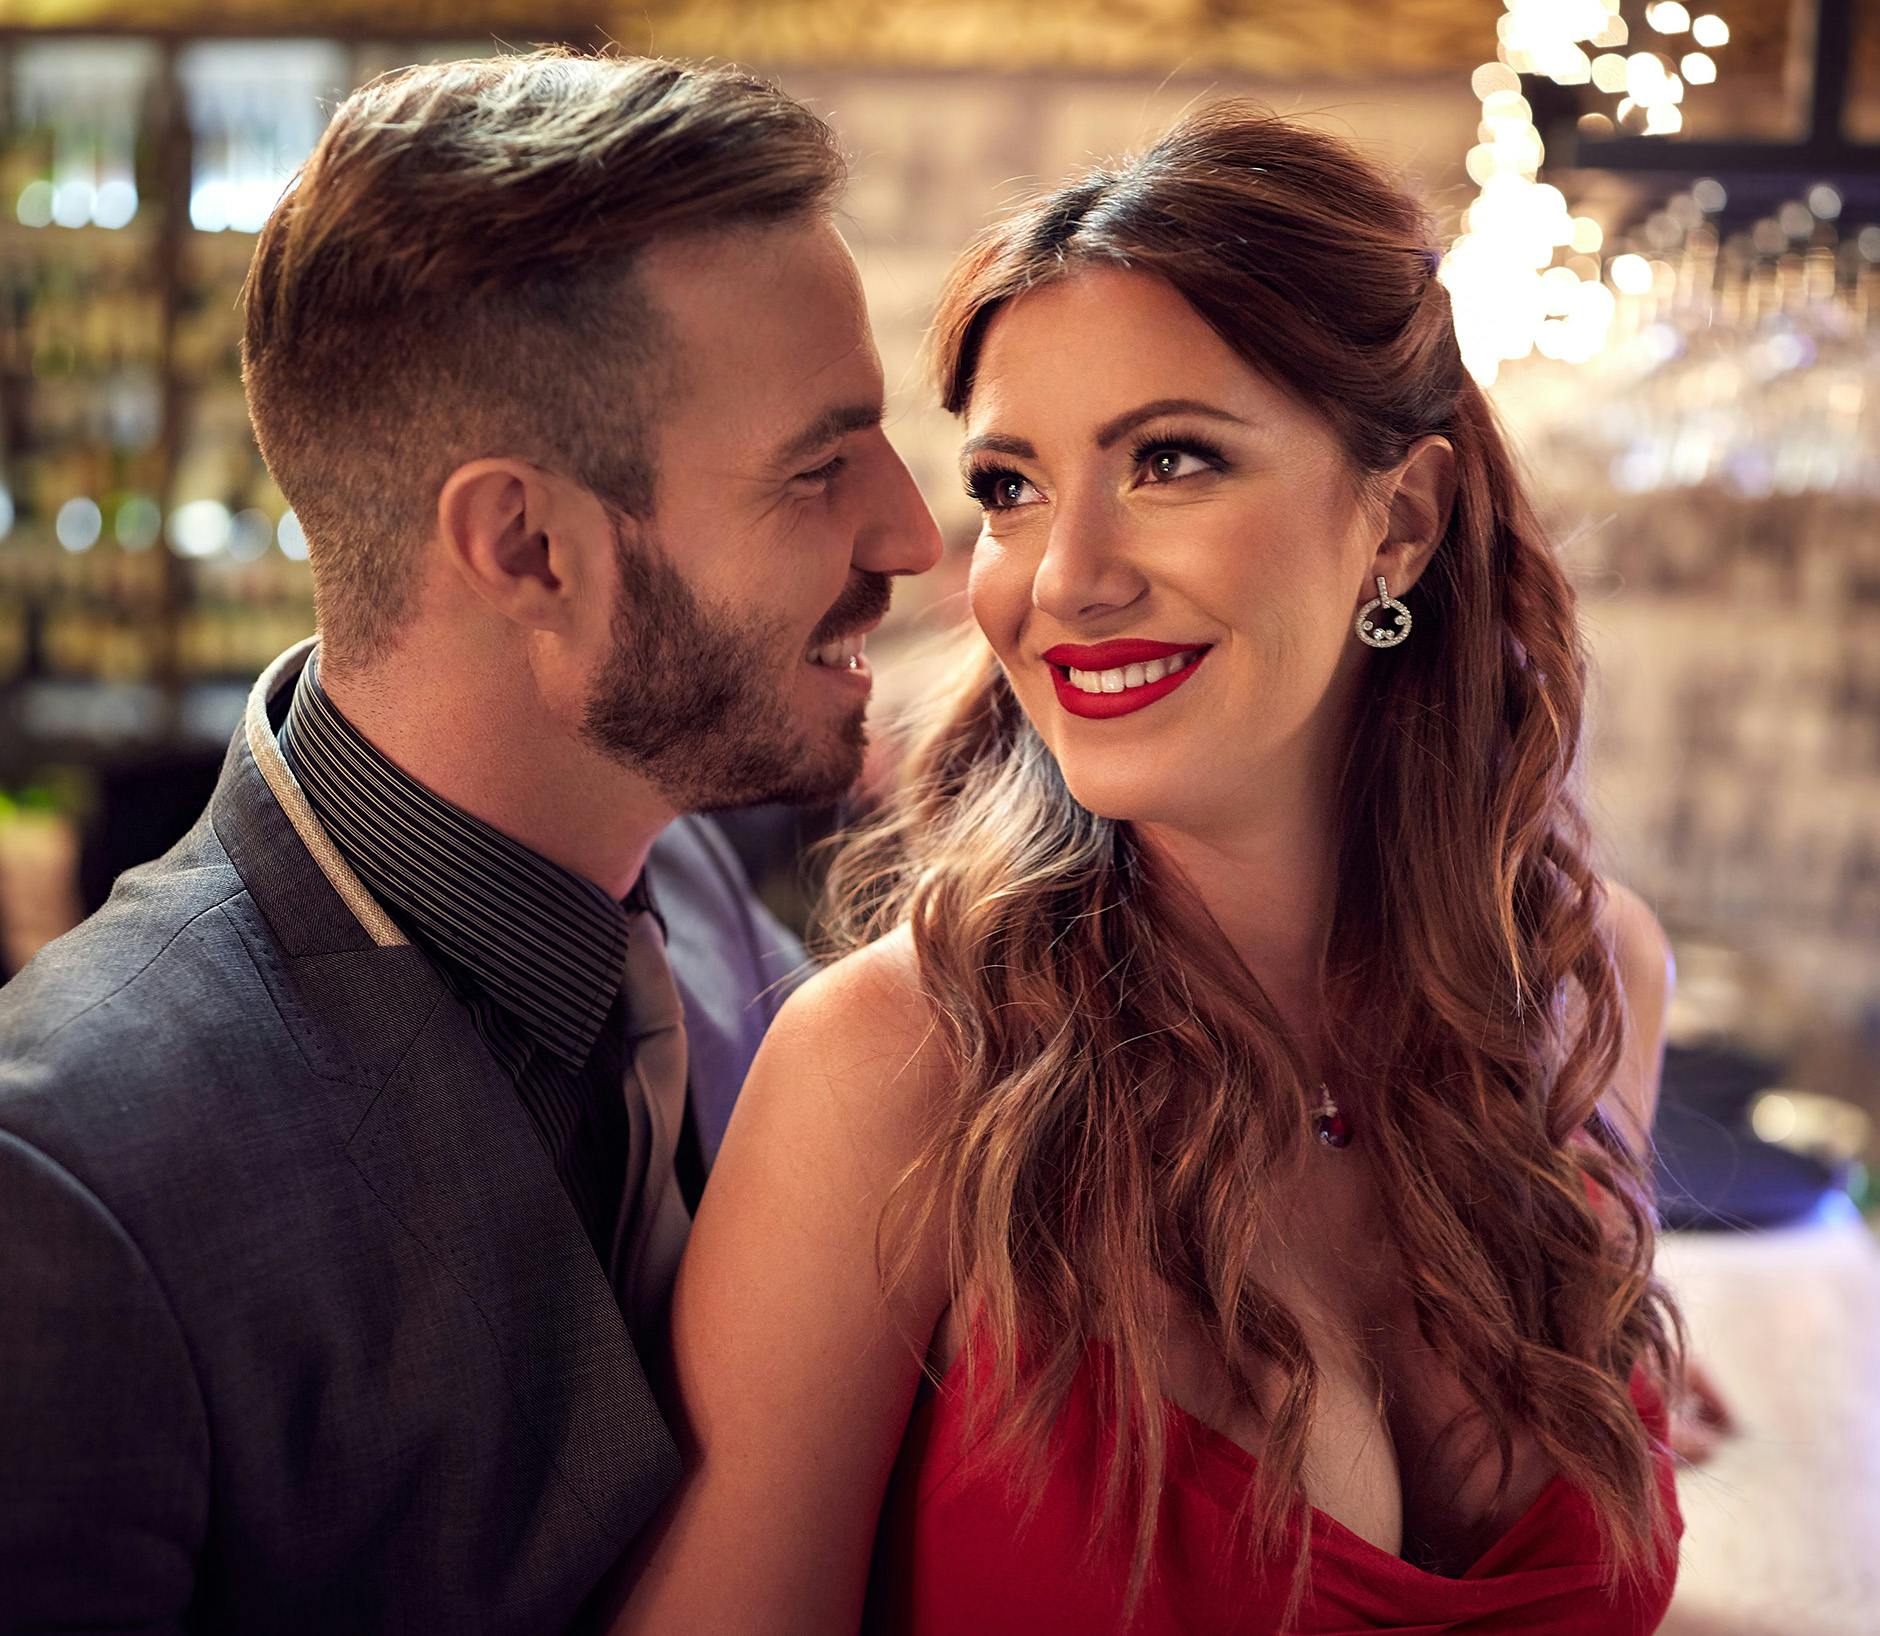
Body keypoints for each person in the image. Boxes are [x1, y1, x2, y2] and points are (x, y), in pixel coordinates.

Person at [612, 106, 1686, 1634]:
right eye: (1010, 486)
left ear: (1402, 518)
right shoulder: (896, 1068)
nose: (1068, 575)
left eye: (1170, 459)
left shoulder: (1587, 985)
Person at [0, 48, 938, 1634]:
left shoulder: (687, 880)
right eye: (816, 466)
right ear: (529, 547)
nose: (911, 532)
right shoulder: (70, 1182)